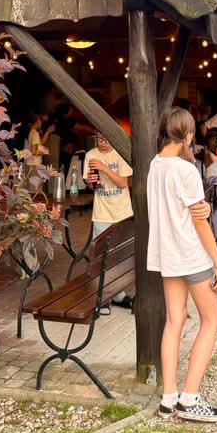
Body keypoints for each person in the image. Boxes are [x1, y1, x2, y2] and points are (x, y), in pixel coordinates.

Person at [148, 107, 217, 423]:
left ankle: (169, 398)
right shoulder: (186, 170)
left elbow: (189, 210)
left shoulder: (155, 165)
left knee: (174, 321)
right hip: (191, 255)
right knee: (212, 319)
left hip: (168, 255)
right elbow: (199, 223)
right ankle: (190, 398)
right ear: (187, 135)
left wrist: (203, 208)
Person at [85, 131, 135, 313]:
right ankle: (102, 298)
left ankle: (118, 295)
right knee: (101, 258)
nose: (103, 142)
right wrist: (90, 182)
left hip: (122, 213)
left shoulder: (120, 154)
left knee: (120, 258)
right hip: (101, 213)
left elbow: (123, 183)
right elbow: (91, 184)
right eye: (99, 139)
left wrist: (104, 168)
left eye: (106, 139)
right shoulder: (91, 155)